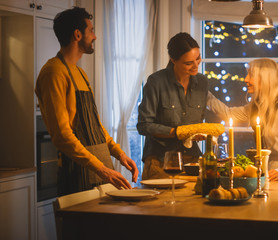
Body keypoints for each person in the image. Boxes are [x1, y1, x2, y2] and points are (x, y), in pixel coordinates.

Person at [35, 7, 138, 195]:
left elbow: (95, 126)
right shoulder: (54, 72)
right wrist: (100, 168)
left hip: (100, 168)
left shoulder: (80, 73)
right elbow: (62, 135)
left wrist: (119, 153)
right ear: (77, 34)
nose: (95, 36)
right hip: (77, 170)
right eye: (91, 30)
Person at [207, 58, 278, 181]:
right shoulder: (256, 107)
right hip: (268, 176)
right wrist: (203, 93)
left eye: (250, 75)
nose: (246, 79)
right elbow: (227, 113)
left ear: (266, 79)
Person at [137, 32, 209, 179]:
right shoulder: (155, 82)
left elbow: (198, 122)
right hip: (160, 162)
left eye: (198, 59)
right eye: (188, 63)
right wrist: (177, 132)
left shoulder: (202, 82)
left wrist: (197, 133)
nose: (196, 66)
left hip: (192, 161)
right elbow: (144, 125)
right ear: (173, 60)